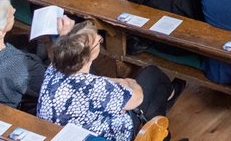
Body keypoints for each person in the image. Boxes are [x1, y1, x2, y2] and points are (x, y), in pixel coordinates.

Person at [38, 21, 180, 140]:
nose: (100, 39)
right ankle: (162, 127)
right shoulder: (96, 87)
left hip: (60, 133)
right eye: (98, 41)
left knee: (154, 98)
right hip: (106, 135)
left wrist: (65, 35)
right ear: (89, 54)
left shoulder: (54, 69)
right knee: (151, 74)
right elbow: (137, 98)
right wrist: (128, 82)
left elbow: (92, 83)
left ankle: (163, 130)